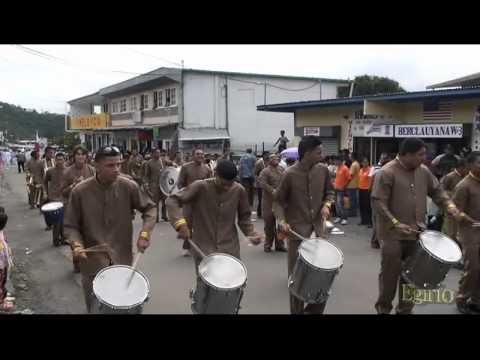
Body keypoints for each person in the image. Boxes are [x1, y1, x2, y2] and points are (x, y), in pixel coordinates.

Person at [371, 138, 461, 315]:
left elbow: (437, 191)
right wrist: (396, 223)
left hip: (417, 234)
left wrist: (450, 206)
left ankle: (405, 310)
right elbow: (378, 203)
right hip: (392, 235)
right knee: (390, 276)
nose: (424, 158)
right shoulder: (387, 172)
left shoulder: (424, 171)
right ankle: (383, 309)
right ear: (407, 154)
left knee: (412, 277)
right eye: (421, 154)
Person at [64, 145, 156, 313]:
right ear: (96, 166)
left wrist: (145, 234)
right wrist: (76, 245)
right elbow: (71, 226)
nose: (116, 169)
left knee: (126, 309)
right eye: (110, 165)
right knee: (96, 309)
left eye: (118, 164)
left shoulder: (128, 186)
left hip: (123, 262)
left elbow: (150, 209)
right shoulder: (80, 191)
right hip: (93, 266)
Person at [166, 159, 263, 290]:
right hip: (204, 250)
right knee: (206, 290)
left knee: (231, 290)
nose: (227, 187)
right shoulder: (200, 186)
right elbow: (172, 200)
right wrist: (180, 224)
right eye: (223, 184)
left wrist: (252, 233)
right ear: (215, 173)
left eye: (230, 184)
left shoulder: (239, 190)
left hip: (229, 250)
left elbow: (244, 218)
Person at [275, 136, 335, 314]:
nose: (322, 155)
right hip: (296, 235)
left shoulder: (323, 170)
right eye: (319, 152)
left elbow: (330, 192)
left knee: (323, 279)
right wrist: (282, 221)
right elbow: (278, 202)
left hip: (319, 233)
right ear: (307, 153)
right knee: (297, 280)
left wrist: (326, 205)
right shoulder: (289, 174)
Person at [452, 151, 480, 314]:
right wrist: (469, 220)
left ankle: (476, 300)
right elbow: (455, 211)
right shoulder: (463, 185)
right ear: (469, 165)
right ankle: (462, 298)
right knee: (473, 267)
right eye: (478, 163)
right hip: (468, 232)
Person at [61, 145, 96, 273]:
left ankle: (89, 261)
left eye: (83, 154)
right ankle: (77, 261)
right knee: (75, 237)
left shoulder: (92, 170)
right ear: (74, 156)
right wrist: (73, 185)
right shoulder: (67, 172)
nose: (80, 156)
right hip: (73, 208)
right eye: (78, 154)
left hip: (90, 208)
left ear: (86, 156)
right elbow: (63, 192)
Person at [177, 148, 213, 256]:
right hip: (188, 201)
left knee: (201, 225)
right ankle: (187, 247)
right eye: (197, 154)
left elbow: (210, 184)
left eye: (202, 154)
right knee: (188, 224)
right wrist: (186, 192)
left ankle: (200, 247)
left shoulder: (207, 169)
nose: (200, 156)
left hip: (202, 202)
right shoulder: (186, 167)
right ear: (193, 155)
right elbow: (180, 183)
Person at [257, 153, 286, 253]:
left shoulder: (282, 169)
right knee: (269, 225)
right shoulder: (265, 171)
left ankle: (280, 245)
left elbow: (286, 181)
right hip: (268, 202)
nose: (276, 159)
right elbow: (262, 183)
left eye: (277, 158)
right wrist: (272, 190)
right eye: (273, 158)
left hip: (280, 202)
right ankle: (268, 245)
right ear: (269, 160)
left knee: (281, 225)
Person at [441, 158, 468, 246]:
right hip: (451, 208)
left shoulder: (466, 177)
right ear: (461, 167)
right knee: (451, 232)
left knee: (460, 232)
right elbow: (441, 191)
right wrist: (453, 193)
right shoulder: (450, 176)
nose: (467, 170)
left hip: (462, 208)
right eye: (466, 168)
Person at [44, 152, 67, 246]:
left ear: (64, 160)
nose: (59, 161)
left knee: (64, 221)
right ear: (55, 160)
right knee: (56, 221)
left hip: (65, 198)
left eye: (61, 159)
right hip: (54, 198)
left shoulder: (68, 171)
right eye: (57, 160)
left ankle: (64, 238)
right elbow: (45, 182)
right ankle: (56, 240)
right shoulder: (50, 171)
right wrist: (46, 193)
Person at [143, 148, 168, 222]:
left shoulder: (163, 160)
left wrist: (173, 164)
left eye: (159, 152)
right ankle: (156, 217)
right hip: (154, 184)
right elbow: (146, 175)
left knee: (165, 200)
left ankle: (164, 215)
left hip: (163, 184)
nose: (158, 154)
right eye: (156, 153)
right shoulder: (149, 163)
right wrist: (146, 184)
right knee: (155, 202)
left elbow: (170, 164)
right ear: (153, 154)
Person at [0, 207, 12, 310]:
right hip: (1, 265)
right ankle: (2, 299)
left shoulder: (1, 233)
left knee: (2, 282)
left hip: (3, 265)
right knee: (1, 282)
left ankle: (2, 297)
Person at [333, 156, 351, 225]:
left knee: (341, 204)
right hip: (336, 188)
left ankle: (344, 218)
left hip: (341, 189)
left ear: (340, 160)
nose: (335, 162)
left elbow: (349, 178)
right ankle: (339, 217)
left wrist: (344, 186)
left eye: (336, 161)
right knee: (337, 204)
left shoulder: (345, 168)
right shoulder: (338, 168)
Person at [254, 152, 270, 218]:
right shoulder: (259, 163)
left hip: (267, 184)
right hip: (260, 184)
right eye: (266, 155)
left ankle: (266, 212)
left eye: (268, 155)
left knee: (267, 199)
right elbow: (255, 173)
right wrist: (258, 180)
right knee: (260, 199)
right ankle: (259, 213)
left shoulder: (269, 162)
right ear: (263, 156)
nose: (267, 156)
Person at [358, 157, 372, 227]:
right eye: (363, 162)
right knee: (362, 206)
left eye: (366, 162)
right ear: (361, 163)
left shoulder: (370, 170)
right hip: (360, 189)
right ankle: (363, 220)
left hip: (367, 190)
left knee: (368, 206)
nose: (365, 163)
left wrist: (369, 189)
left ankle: (370, 221)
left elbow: (370, 180)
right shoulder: (360, 170)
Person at [346, 152, 360, 217]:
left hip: (352, 184)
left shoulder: (353, 165)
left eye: (350, 156)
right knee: (354, 199)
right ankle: (353, 212)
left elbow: (350, 175)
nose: (349, 157)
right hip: (356, 183)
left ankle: (352, 213)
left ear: (352, 157)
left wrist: (346, 183)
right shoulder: (357, 163)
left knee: (352, 199)